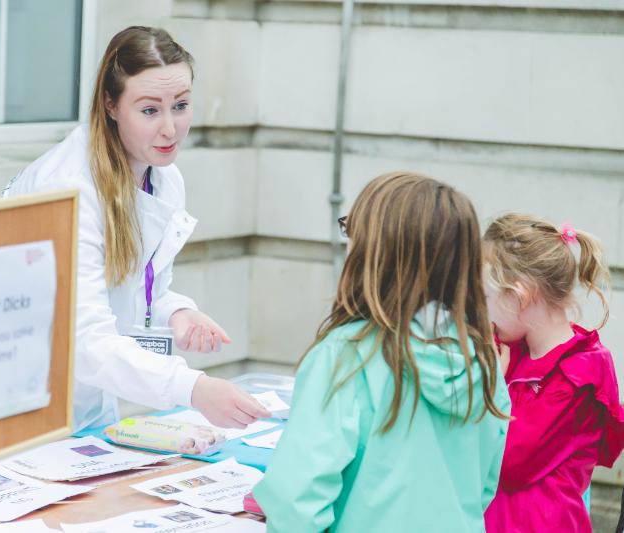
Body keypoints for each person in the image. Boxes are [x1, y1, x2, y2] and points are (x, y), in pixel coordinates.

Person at [4, 26, 269, 431]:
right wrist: (193, 388)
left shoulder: (162, 176)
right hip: (19, 410)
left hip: (86, 410)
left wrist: (176, 310)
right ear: (111, 105)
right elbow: (86, 340)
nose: (170, 128)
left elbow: (135, 286)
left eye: (180, 106)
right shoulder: (66, 188)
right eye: (150, 110)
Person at [252, 172, 510, 532]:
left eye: (350, 230)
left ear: (375, 252)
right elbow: (482, 488)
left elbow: (297, 504)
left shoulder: (345, 356)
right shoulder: (482, 357)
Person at [482, 214, 624, 533]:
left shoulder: (579, 373)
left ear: (519, 296)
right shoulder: (513, 348)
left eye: (487, 297)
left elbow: (507, 463)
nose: (483, 310)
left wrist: (492, 388)